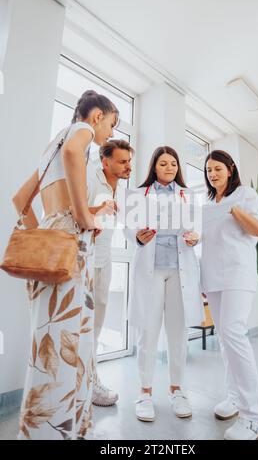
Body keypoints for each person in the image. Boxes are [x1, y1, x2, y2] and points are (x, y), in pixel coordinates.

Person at [13, 90, 118, 440]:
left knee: (50, 347)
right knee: (68, 346)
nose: (109, 134)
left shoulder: (50, 149)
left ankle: (42, 429)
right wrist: (84, 216)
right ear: (98, 116)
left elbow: (20, 201)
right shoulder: (79, 132)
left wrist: (44, 235)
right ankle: (60, 432)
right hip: (69, 248)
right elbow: (76, 152)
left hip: (51, 249)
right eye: (112, 124)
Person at [125, 146, 204, 422]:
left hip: (180, 270)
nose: (169, 167)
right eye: (163, 163)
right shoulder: (138, 193)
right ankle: (144, 393)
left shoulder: (188, 194)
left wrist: (195, 237)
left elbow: (196, 228)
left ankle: (177, 390)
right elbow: (129, 227)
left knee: (177, 333)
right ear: (154, 167)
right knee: (148, 331)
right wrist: (138, 236)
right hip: (152, 268)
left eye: (173, 163)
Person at [200, 149, 258, 440]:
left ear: (230, 169)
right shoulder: (206, 203)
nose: (212, 174)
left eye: (217, 168)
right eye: (208, 170)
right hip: (213, 277)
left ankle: (254, 417)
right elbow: (208, 242)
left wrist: (233, 210)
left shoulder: (245, 195)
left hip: (237, 275)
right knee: (225, 339)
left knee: (234, 334)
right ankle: (234, 397)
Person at [89, 139, 134, 407]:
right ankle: (88, 384)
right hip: (84, 260)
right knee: (83, 326)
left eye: (129, 160)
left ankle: (88, 381)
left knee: (96, 326)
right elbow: (72, 212)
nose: (128, 166)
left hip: (104, 261)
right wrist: (96, 213)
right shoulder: (92, 180)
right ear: (105, 162)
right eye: (122, 161)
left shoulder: (122, 189)